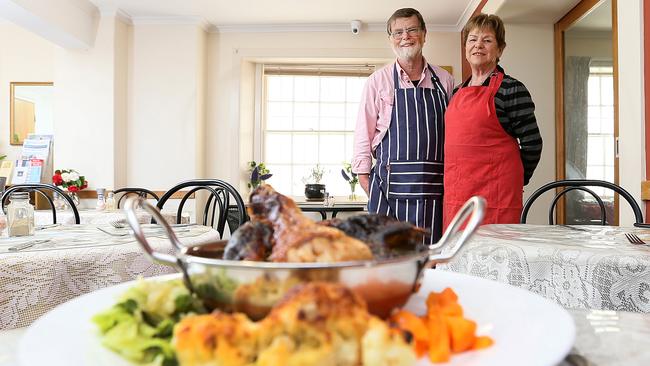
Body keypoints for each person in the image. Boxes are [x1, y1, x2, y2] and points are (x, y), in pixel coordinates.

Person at [352, 8, 454, 244]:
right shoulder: (377, 81)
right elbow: (363, 131)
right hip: (389, 187)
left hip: (434, 190)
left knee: (431, 258)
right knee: (387, 257)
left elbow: (454, 135)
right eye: (398, 32)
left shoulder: (445, 81)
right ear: (391, 39)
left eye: (411, 30)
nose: (405, 36)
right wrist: (362, 173)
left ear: (424, 34)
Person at [443, 13, 542, 228]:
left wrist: (513, 180)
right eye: (472, 39)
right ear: (466, 47)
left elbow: (533, 144)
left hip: (497, 196)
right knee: (458, 255)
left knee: (496, 256)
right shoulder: (455, 92)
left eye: (487, 40)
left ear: (499, 49)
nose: (478, 45)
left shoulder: (512, 89)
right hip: (457, 196)